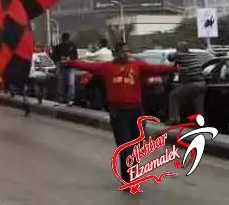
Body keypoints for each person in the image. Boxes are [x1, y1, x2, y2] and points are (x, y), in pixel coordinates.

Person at [65, 42, 178, 184]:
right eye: (122, 52)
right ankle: (128, 177)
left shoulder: (138, 66)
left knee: (138, 144)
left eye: (127, 51)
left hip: (136, 111)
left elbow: (156, 68)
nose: (125, 54)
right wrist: (70, 63)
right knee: (124, 145)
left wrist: (174, 68)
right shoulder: (107, 67)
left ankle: (133, 170)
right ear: (116, 53)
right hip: (118, 112)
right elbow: (87, 65)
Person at [167, 42, 206, 125]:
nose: (176, 49)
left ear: (180, 49)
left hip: (193, 84)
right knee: (198, 103)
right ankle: (201, 123)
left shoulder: (180, 55)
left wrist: (176, 54)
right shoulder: (193, 55)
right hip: (202, 83)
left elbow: (170, 57)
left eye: (177, 48)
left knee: (173, 96)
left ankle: (174, 119)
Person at [52, 32, 78, 106]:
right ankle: (60, 98)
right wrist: (60, 59)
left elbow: (75, 56)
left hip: (70, 67)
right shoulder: (58, 47)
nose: (65, 41)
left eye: (66, 39)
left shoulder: (72, 46)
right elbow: (54, 57)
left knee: (71, 83)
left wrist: (70, 58)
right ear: (62, 39)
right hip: (61, 67)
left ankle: (70, 99)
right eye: (64, 39)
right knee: (60, 84)